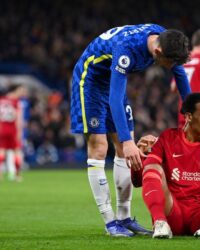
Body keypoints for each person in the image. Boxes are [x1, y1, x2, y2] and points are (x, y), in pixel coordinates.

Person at [70, 24, 191, 237]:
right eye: (169, 62)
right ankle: (110, 222)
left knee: (126, 151)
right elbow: (115, 99)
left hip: (112, 82)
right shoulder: (127, 49)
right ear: (158, 52)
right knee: (100, 147)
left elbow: (180, 74)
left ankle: (124, 218)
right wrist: (127, 142)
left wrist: (192, 111)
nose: (170, 67)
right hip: (90, 81)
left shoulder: (164, 37)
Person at [137, 93, 200, 239]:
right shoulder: (168, 138)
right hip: (173, 211)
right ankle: (160, 223)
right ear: (189, 117)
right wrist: (139, 158)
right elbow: (142, 175)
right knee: (154, 168)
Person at [0, 84, 27, 182]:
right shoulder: (17, 102)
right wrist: (19, 132)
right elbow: (19, 119)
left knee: (1, 151)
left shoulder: (1, 100)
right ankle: (17, 175)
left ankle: (0, 175)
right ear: (15, 90)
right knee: (17, 151)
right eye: (21, 90)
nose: (22, 92)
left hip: (2, 129)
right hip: (12, 129)